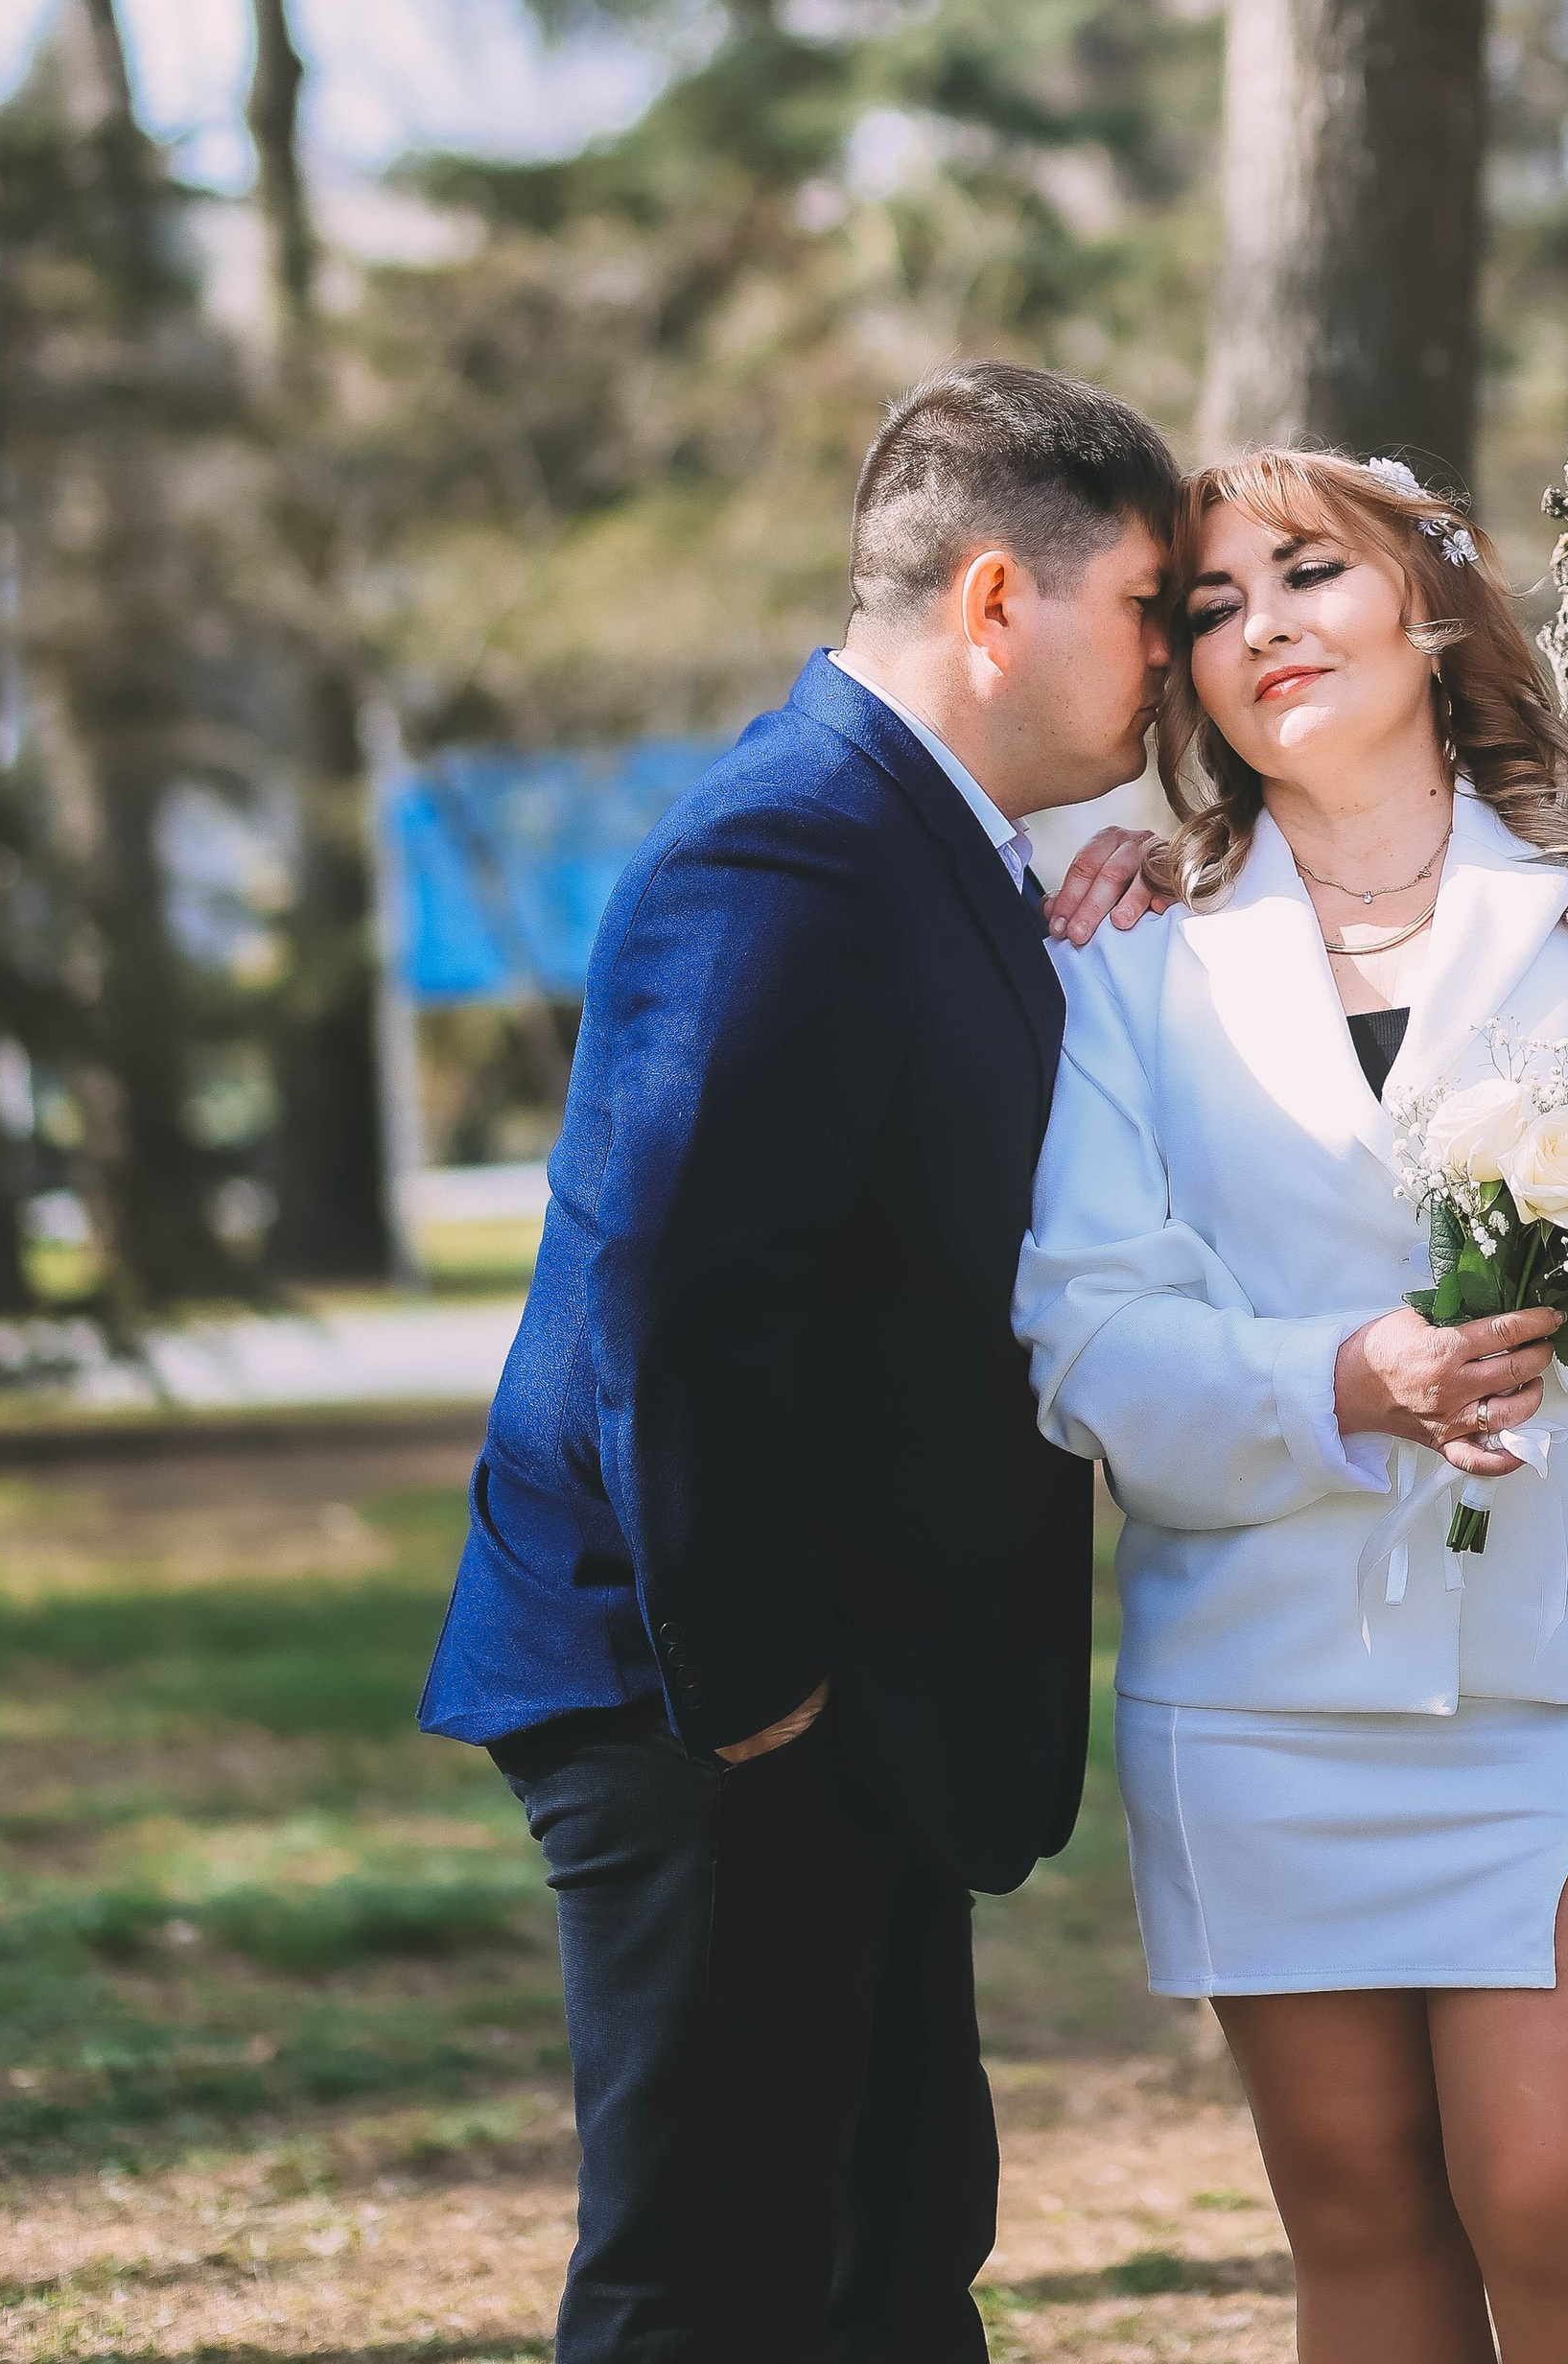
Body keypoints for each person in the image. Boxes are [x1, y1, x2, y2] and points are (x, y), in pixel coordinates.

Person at [1015, 447, 1568, 2364]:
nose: (1257, 627)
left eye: (1306, 572)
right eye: (1201, 605)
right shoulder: (1118, 949)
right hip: (1263, 1678)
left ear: (1428, 594)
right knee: (1353, 2222)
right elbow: (1088, 1320)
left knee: (1559, 2196)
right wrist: (1342, 1377)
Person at [419, 362, 1181, 2363]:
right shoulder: (789, 850)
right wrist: (757, 1696)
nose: (1177, 665)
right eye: (1151, 612)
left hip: (840, 1701)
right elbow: (678, 1298)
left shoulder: (933, 850)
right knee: (719, 2281)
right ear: (1000, 599)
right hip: (711, 1701)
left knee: (887, 2248)